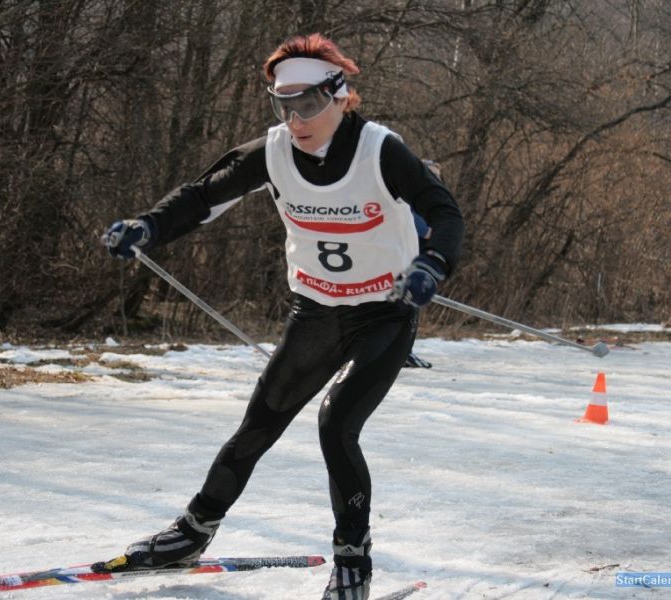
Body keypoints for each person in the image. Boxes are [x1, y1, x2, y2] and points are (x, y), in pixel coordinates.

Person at [96, 33, 465, 600]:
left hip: (384, 316)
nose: (296, 118)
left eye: (309, 103)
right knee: (259, 424)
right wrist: (146, 226)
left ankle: (352, 565)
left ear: (341, 96)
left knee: (336, 424)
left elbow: (444, 211)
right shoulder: (271, 152)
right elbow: (202, 197)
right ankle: (192, 534)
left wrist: (432, 264)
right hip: (316, 311)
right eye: (283, 104)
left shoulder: (379, 149)